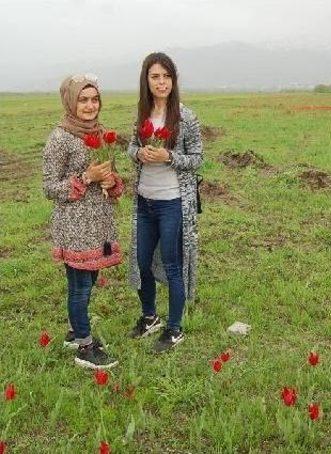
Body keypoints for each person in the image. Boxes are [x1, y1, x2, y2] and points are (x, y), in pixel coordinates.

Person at [43, 74, 124, 369]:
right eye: (83, 99)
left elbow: (111, 174)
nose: (90, 105)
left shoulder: (101, 133)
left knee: (87, 282)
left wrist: (110, 181)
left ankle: (74, 332)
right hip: (75, 225)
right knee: (80, 286)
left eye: (95, 99)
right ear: (70, 101)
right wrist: (87, 177)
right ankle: (85, 347)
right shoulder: (60, 137)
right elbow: (50, 186)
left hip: (98, 222)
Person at [126, 52, 203, 353]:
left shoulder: (186, 117)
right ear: (146, 80)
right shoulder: (142, 114)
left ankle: (174, 328)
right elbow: (132, 146)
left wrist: (169, 156)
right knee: (141, 261)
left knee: (173, 265)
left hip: (173, 203)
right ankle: (150, 317)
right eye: (155, 76)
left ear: (174, 80)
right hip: (145, 202)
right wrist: (139, 153)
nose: (161, 82)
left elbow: (198, 159)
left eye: (166, 76)